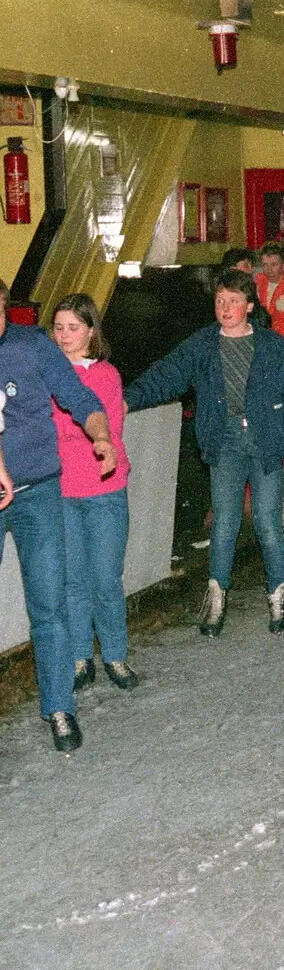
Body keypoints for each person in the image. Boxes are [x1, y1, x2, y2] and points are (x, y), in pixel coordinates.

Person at [126, 269, 284, 639]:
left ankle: (278, 594)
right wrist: (127, 398)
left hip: (267, 442)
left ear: (249, 306)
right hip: (224, 442)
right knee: (224, 523)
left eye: (233, 302)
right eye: (220, 301)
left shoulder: (273, 346)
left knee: (267, 522)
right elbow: (168, 373)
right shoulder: (202, 344)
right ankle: (216, 598)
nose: (226, 309)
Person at [0, 276, 117, 752]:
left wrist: (101, 436)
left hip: (38, 493)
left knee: (48, 605)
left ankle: (60, 707)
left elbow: (79, 396)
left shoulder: (32, 347)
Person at [48, 295, 138, 692]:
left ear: (90, 332)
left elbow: (104, 428)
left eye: (73, 328)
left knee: (105, 578)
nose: (64, 336)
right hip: (63, 490)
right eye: (59, 328)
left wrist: (70, 428)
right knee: (72, 582)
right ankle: (81, 656)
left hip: (103, 489)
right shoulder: (48, 375)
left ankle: (115, 655)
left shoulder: (105, 375)